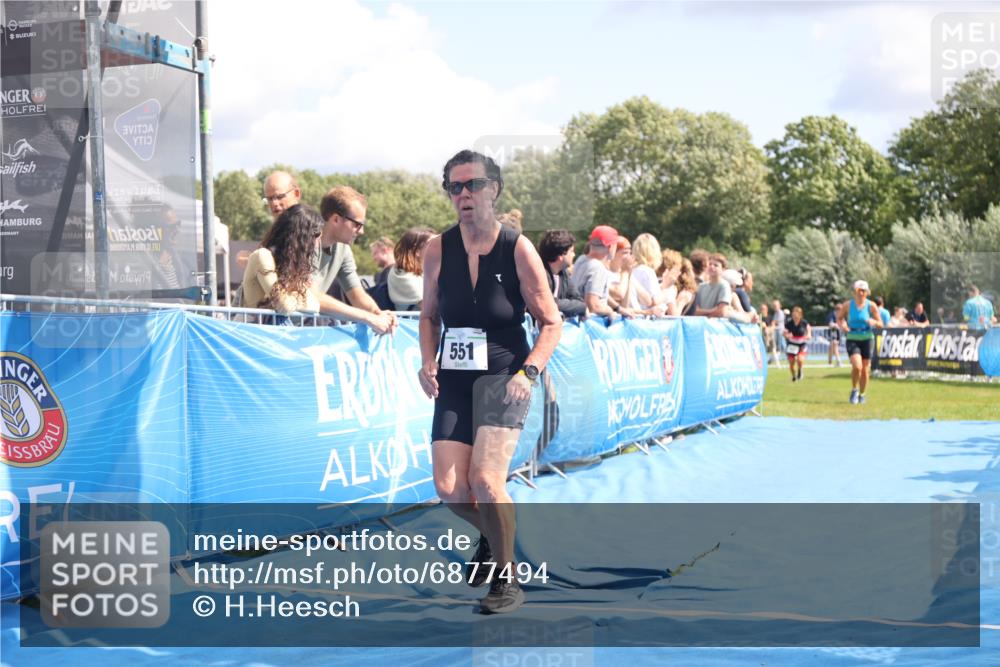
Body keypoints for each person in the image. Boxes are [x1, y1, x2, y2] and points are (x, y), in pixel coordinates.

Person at [418, 150, 561, 614]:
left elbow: (551, 321)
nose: (462, 195)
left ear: (494, 189)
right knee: (449, 488)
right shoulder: (437, 248)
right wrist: (427, 362)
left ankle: (506, 581)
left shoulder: (517, 247)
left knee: (486, 479)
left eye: (472, 185)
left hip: (504, 374)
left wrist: (531, 371)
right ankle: (492, 533)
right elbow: (429, 315)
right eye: (454, 187)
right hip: (455, 379)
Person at [315, 186, 397, 334]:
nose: (362, 231)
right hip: (273, 331)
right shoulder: (304, 242)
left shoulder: (343, 249)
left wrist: (378, 314)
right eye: (357, 224)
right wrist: (367, 317)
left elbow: (356, 294)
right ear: (335, 219)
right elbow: (310, 295)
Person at [241, 204, 322, 320]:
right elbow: (285, 306)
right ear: (302, 237)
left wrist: (292, 297)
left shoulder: (292, 266)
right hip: (249, 334)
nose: (318, 243)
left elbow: (315, 305)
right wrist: (298, 296)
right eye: (316, 236)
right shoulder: (262, 256)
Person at [837, 279, 883, 405]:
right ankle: (854, 390)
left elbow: (880, 324)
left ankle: (862, 394)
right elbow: (839, 318)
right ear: (854, 292)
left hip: (867, 338)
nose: (861, 294)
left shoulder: (871, 305)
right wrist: (843, 325)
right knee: (857, 366)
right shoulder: (848, 305)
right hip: (852, 337)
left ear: (867, 293)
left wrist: (874, 322)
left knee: (865, 369)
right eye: (859, 291)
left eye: (863, 291)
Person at [570, 225, 627, 318]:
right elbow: (594, 305)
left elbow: (595, 292)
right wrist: (611, 312)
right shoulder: (598, 268)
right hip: (590, 326)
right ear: (610, 246)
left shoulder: (582, 259)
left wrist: (617, 308)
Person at [375, 228, 434, 311]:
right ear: (416, 251)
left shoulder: (418, 272)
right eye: (433, 245)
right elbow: (433, 308)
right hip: (414, 322)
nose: (439, 248)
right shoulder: (404, 276)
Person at [537, 229, 586, 319]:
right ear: (560, 256)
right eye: (571, 251)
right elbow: (548, 303)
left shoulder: (563, 274)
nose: (574, 254)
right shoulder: (539, 274)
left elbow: (579, 301)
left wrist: (581, 307)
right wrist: (578, 307)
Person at [696, 254, 757, 323]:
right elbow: (695, 311)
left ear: (723, 269)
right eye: (710, 264)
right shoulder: (701, 287)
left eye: (716, 265)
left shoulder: (724, 286)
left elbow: (721, 312)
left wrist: (703, 313)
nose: (711, 267)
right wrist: (713, 311)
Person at [629, 233, 667, 315]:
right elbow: (655, 301)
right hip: (646, 319)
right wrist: (666, 287)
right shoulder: (647, 271)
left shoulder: (631, 270)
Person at [784, 306, 812, 381]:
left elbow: (809, 329)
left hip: (801, 344)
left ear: (800, 315)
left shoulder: (804, 322)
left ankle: (800, 370)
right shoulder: (789, 323)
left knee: (800, 360)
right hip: (792, 344)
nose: (795, 316)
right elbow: (785, 332)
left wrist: (809, 334)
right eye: (793, 314)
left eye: (796, 314)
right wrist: (787, 335)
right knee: (791, 363)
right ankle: (793, 376)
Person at [771, 299, 786, 364]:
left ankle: (776, 357)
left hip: (780, 330)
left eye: (776, 306)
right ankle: (774, 358)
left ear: (779, 306)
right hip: (776, 330)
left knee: (780, 345)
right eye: (774, 306)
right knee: (781, 344)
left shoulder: (780, 313)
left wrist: (772, 325)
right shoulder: (775, 313)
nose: (775, 307)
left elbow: (776, 322)